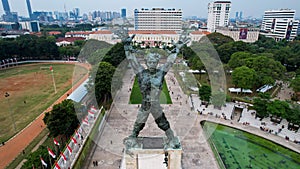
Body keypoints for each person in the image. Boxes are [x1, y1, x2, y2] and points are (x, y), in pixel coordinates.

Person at [123, 34, 189, 149]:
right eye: (150, 62)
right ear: (146, 62)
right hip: (145, 103)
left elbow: (169, 62)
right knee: (139, 122)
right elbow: (132, 60)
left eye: (154, 62)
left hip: (156, 104)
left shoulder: (160, 73)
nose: (152, 64)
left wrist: (176, 50)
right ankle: (133, 136)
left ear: (157, 63)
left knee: (163, 122)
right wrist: (127, 46)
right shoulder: (141, 73)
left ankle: (172, 138)